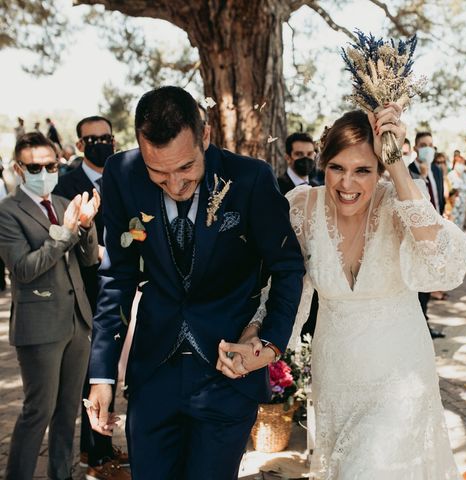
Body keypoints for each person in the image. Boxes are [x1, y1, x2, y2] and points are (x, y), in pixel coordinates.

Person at [86, 86, 305, 480]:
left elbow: (288, 267)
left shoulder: (249, 178)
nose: (174, 184)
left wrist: (268, 345)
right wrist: (102, 375)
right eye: (159, 173)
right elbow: (116, 277)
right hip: (153, 374)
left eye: (185, 168)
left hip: (227, 375)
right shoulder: (122, 175)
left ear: (204, 136)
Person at [244, 105, 466, 478]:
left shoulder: (400, 205)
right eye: (337, 168)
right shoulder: (302, 206)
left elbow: (443, 266)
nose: (347, 184)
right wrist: (256, 335)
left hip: (400, 372)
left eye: (363, 170)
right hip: (336, 373)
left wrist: (397, 162)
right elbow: (284, 290)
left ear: (380, 169)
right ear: (323, 164)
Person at [0, 132, 100, 480]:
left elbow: (88, 260)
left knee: (68, 410)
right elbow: (24, 269)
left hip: (77, 321)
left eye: (51, 165)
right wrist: (64, 232)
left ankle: (62, 474)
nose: (44, 171)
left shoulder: (61, 203)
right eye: (35, 166)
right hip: (39, 325)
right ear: (18, 168)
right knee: (38, 410)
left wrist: (85, 226)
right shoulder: (7, 212)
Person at [53, 116, 130, 479]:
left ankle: (100, 444)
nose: (102, 143)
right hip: (84, 288)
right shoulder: (67, 184)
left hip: (119, 285)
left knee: (109, 364)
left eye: (107, 137)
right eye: (93, 139)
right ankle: (94, 456)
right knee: (91, 373)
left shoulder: (122, 176)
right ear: (80, 145)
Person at [408, 132, 447, 338]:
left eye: (430, 145)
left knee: (430, 280)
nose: (428, 149)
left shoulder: (438, 171)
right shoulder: (408, 171)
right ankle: (419, 324)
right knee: (420, 283)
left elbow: (440, 200)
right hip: (417, 236)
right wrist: (421, 177)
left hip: (437, 232)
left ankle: (425, 320)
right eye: (423, 145)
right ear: (415, 148)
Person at [447, 155, 466, 231]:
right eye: (459, 163)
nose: (461, 165)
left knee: (461, 223)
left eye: (462, 163)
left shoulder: (464, 175)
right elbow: (450, 189)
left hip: (463, 203)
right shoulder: (451, 175)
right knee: (453, 224)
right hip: (454, 203)